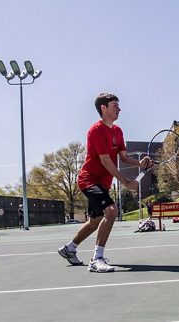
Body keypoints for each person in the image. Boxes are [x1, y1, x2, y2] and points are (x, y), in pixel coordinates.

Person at [58, 93, 154, 273]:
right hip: (89, 180)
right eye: (115, 105)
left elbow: (123, 157)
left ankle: (69, 248)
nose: (119, 109)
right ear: (103, 108)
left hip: (103, 183)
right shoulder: (95, 130)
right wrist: (125, 181)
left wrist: (139, 163)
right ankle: (97, 259)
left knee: (95, 221)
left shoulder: (118, 131)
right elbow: (106, 161)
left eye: (118, 105)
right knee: (111, 211)